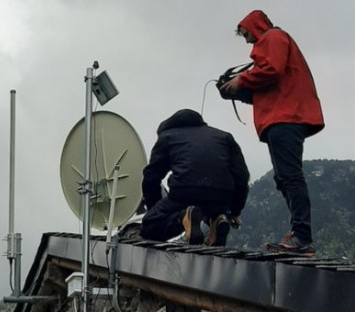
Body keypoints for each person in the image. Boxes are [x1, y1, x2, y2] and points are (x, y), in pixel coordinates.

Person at [221, 10, 324, 256]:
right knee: (285, 177)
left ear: (254, 27)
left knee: (290, 176)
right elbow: (271, 85)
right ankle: (299, 236)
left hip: (285, 118)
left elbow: (272, 70)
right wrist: (239, 89)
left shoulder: (273, 37)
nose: (247, 40)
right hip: (284, 116)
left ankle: (302, 237)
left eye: (246, 34)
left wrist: (241, 81)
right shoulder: (275, 40)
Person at [139, 109, 249, 246]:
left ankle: (183, 217)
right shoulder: (225, 137)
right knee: (208, 207)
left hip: (185, 191)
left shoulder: (167, 137)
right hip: (221, 195)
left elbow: (151, 178)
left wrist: (154, 211)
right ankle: (217, 220)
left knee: (149, 227)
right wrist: (235, 210)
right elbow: (241, 176)